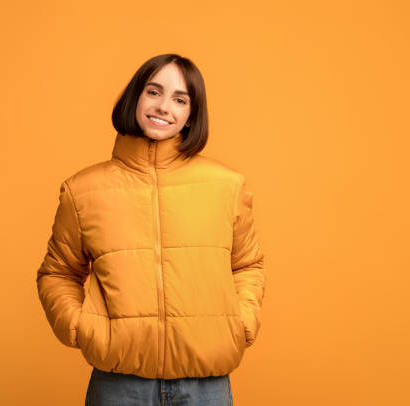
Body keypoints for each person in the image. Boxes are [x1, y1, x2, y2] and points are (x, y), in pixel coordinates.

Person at [36, 53, 266, 405]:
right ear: (136, 98)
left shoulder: (227, 186)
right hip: (118, 385)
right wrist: (79, 327)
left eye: (179, 99)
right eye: (154, 92)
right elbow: (57, 272)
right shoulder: (82, 191)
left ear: (192, 115)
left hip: (206, 386)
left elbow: (247, 265)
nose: (163, 107)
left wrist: (242, 322)